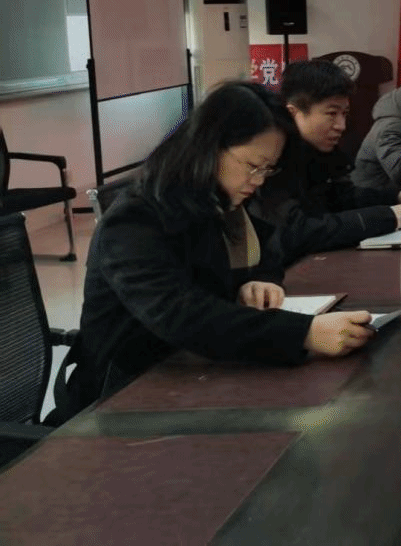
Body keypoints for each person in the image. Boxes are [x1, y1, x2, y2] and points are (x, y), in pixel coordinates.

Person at [50, 82, 374, 424]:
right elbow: (182, 315)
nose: (259, 180)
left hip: (194, 376)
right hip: (120, 399)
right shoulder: (135, 219)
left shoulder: (216, 199)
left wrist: (260, 279)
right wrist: (305, 333)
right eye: (253, 165)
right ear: (210, 148)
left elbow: (267, 247)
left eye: (268, 169)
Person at [249, 60, 401, 265]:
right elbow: (299, 232)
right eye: (331, 114)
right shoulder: (271, 160)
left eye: (344, 114)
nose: (341, 125)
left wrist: (398, 196)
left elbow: (343, 197)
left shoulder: (319, 151)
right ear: (294, 113)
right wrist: (386, 216)